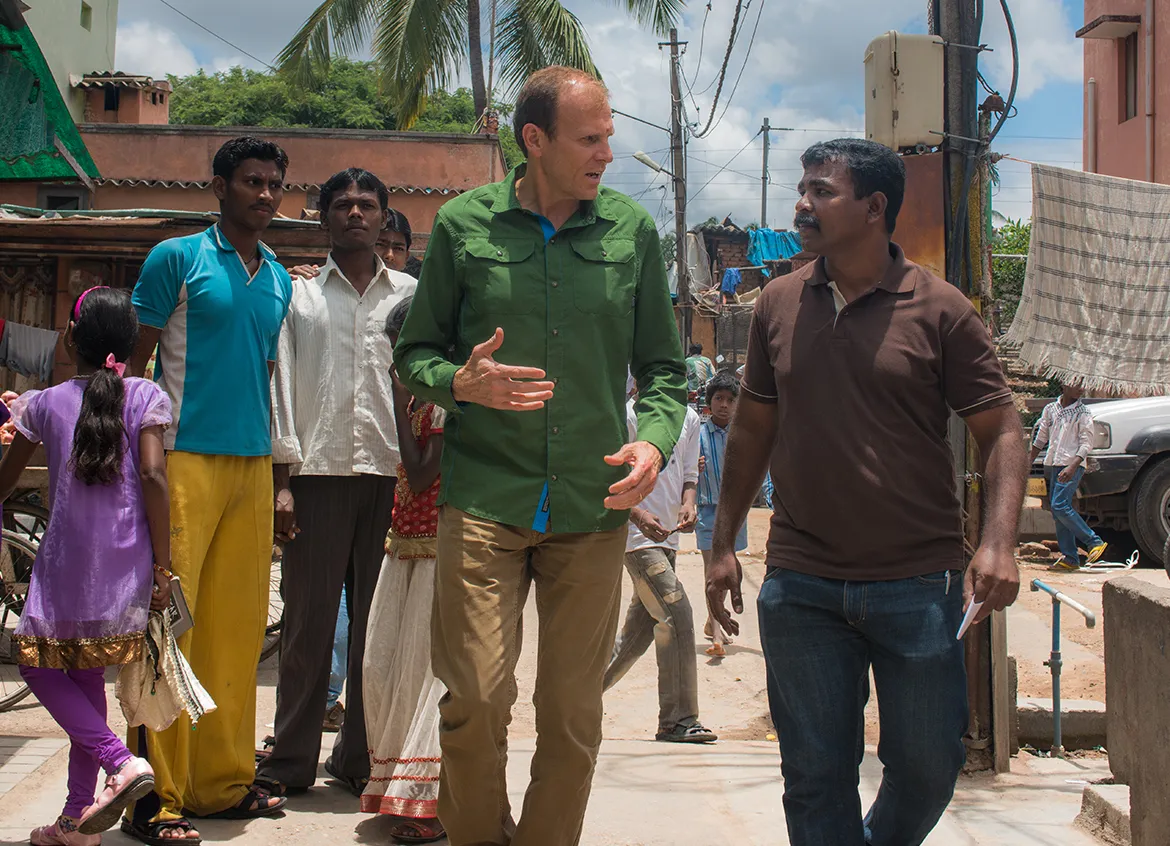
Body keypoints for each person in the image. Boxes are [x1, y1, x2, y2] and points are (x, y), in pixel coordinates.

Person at [394, 65, 686, 846]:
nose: (606, 154)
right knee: (476, 698)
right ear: (535, 140)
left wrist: (655, 442)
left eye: (608, 138)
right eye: (590, 139)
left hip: (592, 505)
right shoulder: (463, 227)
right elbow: (414, 353)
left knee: (572, 713)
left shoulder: (632, 231)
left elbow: (665, 370)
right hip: (486, 497)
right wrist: (459, 383)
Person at [705, 138, 1026, 846]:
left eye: (821, 191)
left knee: (928, 767)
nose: (802, 204)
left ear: (875, 207)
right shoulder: (778, 304)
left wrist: (1000, 542)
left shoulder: (941, 309)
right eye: (803, 188)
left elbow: (1002, 427)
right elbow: (753, 428)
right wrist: (721, 543)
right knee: (815, 777)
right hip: (802, 584)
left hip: (918, 582)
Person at [124, 136, 294, 843]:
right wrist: (132, 465)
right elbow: (135, 370)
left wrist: (282, 479)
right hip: (182, 461)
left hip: (252, 465)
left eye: (274, 184)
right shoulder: (177, 258)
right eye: (252, 181)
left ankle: (221, 783)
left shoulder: (279, 277)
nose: (265, 194)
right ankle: (151, 796)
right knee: (168, 627)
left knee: (235, 633)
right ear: (219, 187)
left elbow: (271, 380)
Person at [260, 168, 416, 798]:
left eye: (367, 205)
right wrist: (282, 482)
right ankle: (290, 761)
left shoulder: (412, 295)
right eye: (343, 204)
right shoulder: (298, 297)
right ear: (323, 216)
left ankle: (360, 760)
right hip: (316, 477)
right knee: (306, 627)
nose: (355, 213)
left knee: (378, 633)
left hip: (392, 479)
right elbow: (280, 387)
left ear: (383, 217)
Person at [0, 288, 173, 845]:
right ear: (131, 343)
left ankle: (118, 760)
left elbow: (6, 481)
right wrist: (164, 568)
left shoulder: (44, 403)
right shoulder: (145, 395)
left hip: (67, 565)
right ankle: (77, 819)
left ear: (72, 339)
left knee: (35, 665)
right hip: (128, 567)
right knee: (85, 675)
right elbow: (154, 476)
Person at [360, 296, 447, 844]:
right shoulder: (421, 398)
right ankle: (398, 785)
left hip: (441, 548)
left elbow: (420, 474)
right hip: (406, 543)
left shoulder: (440, 402)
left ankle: (427, 801)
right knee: (383, 666)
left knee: (426, 673)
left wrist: (396, 401)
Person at [603, 382, 716, 744]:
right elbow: (609, 477)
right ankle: (679, 719)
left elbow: (689, 475)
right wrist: (636, 515)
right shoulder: (627, 415)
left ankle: (570, 699)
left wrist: (689, 503)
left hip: (668, 536)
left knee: (635, 637)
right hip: (636, 539)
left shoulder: (689, 418)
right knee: (677, 613)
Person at [1030, 384, 1107, 570]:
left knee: (1060, 505)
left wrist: (1072, 467)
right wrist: (1028, 461)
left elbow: (1086, 444)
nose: (1081, 388)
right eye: (1076, 384)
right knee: (1057, 511)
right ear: (1064, 385)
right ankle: (1070, 558)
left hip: (1072, 465)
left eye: (1082, 384)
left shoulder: (1083, 413)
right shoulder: (1050, 409)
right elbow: (1041, 438)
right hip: (1054, 464)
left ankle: (1094, 541)